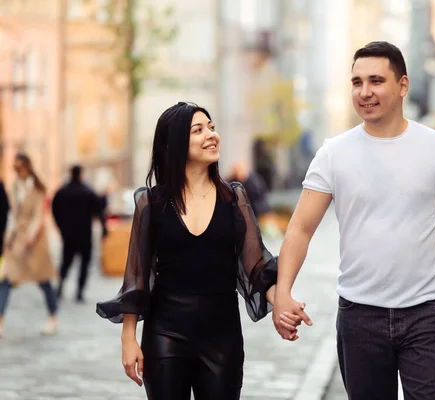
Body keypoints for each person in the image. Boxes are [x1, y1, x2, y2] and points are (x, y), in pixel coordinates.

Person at [273, 41, 435, 400]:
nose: (365, 92)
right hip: (360, 315)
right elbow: (300, 228)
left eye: (375, 81)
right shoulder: (333, 154)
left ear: (402, 86)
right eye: (356, 82)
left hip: (427, 313)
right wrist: (283, 293)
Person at [95, 102, 302, 400]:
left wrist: (281, 302)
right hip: (165, 333)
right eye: (199, 130)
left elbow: (255, 267)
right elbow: (138, 275)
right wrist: (129, 337)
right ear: (175, 142)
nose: (211, 135)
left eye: (212, 127)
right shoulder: (151, 203)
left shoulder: (234, 198)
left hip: (222, 336)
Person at [0, 153, 59, 337]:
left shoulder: (38, 189)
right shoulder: (14, 187)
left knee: (44, 281)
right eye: (15, 168)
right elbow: (12, 215)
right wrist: (8, 238)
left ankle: (53, 317)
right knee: (6, 280)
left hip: (35, 243)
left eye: (21, 167)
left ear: (28, 167)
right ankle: (0, 321)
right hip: (17, 240)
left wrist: (32, 236)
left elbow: (38, 216)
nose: (18, 171)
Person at [52, 164, 107, 303]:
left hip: (68, 234)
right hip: (84, 235)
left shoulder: (62, 191)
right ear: (81, 174)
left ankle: (60, 286)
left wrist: (60, 227)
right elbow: (99, 211)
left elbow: (54, 209)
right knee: (84, 264)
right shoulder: (87, 191)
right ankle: (79, 291)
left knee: (66, 262)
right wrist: (104, 228)